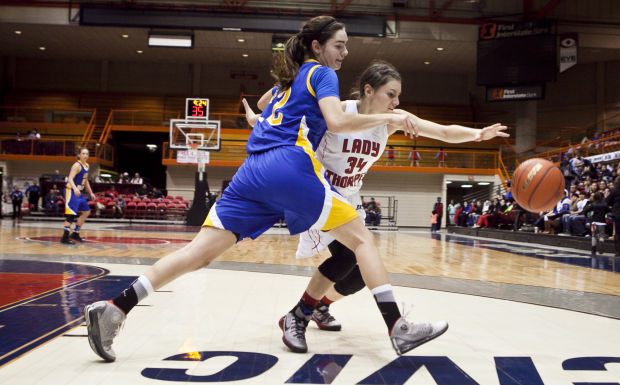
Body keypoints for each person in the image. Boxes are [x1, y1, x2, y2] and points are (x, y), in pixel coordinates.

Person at [83, 15, 441, 362]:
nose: (345, 53)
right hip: (289, 168)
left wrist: (260, 119)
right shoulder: (323, 73)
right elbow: (337, 120)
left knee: (198, 254)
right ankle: (398, 326)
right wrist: (390, 116)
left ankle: (115, 308)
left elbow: (264, 104)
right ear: (317, 47)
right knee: (362, 242)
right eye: (339, 45)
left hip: (252, 172)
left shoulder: (293, 78)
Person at [244, 61, 508, 353]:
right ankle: (298, 316)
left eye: (398, 96)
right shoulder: (337, 110)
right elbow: (269, 103)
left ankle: (319, 307)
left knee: (358, 272)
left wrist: (478, 135)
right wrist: (268, 107)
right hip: (317, 192)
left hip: (350, 198)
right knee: (347, 256)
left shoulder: (392, 119)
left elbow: (443, 132)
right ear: (368, 90)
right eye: (391, 94)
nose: (397, 102)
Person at [60, 147, 96, 244]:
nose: (85, 155)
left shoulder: (87, 166)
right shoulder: (77, 165)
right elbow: (70, 178)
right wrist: (75, 188)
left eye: (86, 154)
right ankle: (64, 238)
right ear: (79, 155)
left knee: (86, 212)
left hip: (79, 192)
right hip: (71, 191)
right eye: (83, 154)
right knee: (71, 215)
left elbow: (85, 180)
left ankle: (75, 233)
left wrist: (91, 192)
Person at [606, 175, 620, 257]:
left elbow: (607, 201)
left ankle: (618, 252)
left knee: (618, 233)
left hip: (617, 213)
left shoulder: (614, 190)